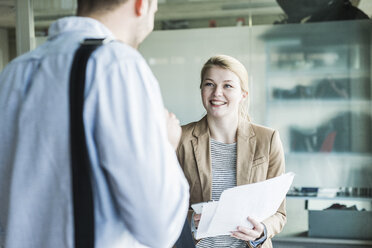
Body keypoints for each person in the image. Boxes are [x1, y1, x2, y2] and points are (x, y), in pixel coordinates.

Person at [0, 0, 189, 247]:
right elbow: (159, 228)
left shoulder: (15, 71)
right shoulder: (117, 64)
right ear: (141, 5)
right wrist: (165, 144)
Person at [176, 55, 286, 248]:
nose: (217, 93)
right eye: (209, 84)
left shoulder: (267, 140)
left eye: (228, 86)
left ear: (243, 94)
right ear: (201, 89)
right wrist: (190, 221)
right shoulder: (180, 138)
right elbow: (162, 205)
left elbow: (279, 213)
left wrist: (262, 231)